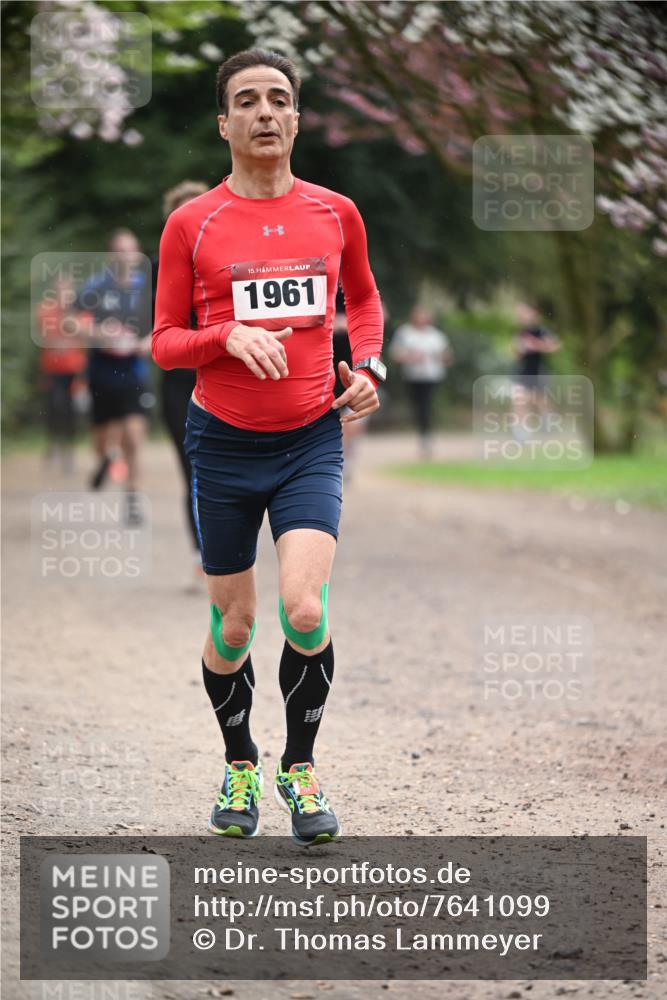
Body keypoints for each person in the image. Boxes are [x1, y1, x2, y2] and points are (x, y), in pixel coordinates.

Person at [152, 48, 386, 845]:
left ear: (294, 118)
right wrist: (226, 334)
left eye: (277, 99)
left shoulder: (335, 212)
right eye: (246, 100)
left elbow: (363, 298)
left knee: (304, 607)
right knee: (234, 627)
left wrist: (371, 368)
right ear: (224, 123)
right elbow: (164, 341)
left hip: (311, 440)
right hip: (221, 443)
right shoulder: (193, 223)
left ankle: (300, 767)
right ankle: (240, 761)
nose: (262, 111)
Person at [153, 181, 209, 588]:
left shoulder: (230, 260)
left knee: (220, 471)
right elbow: (145, 323)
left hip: (221, 375)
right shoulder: (159, 269)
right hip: (177, 382)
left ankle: (230, 557)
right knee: (192, 471)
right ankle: (199, 555)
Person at [76, 229, 152, 523]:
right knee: (102, 437)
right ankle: (105, 458)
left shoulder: (145, 287)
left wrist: (148, 341)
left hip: (133, 370)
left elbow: (163, 321)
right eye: (119, 251)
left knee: (133, 436)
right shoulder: (97, 286)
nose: (125, 256)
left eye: (130, 251)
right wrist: (98, 333)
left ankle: (132, 499)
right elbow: (71, 320)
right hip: (101, 370)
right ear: (111, 255)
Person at [36, 276, 86, 475]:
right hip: (52, 369)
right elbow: (42, 336)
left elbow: (86, 336)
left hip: (75, 369)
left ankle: (68, 450)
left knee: (71, 410)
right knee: (55, 407)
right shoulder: (45, 311)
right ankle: (53, 442)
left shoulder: (79, 312)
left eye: (67, 290)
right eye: (59, 290)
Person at [389, 306, 453, 458]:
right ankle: (424, 433)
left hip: (431, 377)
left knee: (425, 406)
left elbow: (447, 356)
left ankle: (425, 436)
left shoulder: (436, 336)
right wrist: (410, 357)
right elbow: (395, 354)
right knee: (418, 407)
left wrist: (440, 358)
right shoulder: (405, 333)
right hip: (412, 377)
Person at [512, 302, 561, 439]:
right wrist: (519, 349)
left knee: (540, 401)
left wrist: (535, 345)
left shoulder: (541, 330)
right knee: (519, 400)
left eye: (524, 312)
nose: (521, 316)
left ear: (533, 314)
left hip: (539, 371)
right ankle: (521, 431)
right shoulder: (520, 332)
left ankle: (549, 425)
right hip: (522, 372)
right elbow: (515, 352)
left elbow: (554, 347)